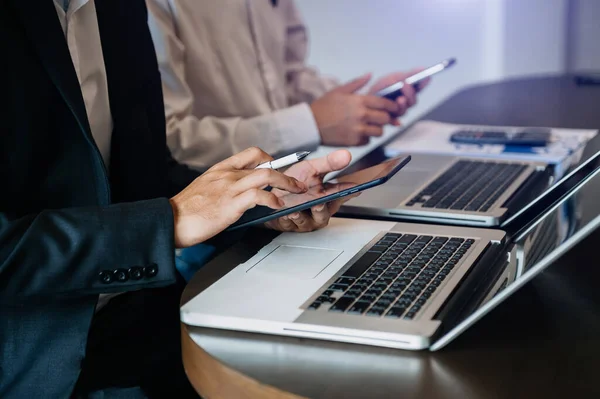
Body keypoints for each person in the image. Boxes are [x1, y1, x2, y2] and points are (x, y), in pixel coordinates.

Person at [0, 0, 351, 397]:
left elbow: (147, 171)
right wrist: (169, 222)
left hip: (148, 322)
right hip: (35, 360)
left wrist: (256, 199)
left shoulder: (119, 9)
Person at [146, 0, 428, 170]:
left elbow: (285, 80)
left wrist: (363, 102)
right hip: (204, 232)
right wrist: (310, 125)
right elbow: (170, 141)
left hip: (288, 196)